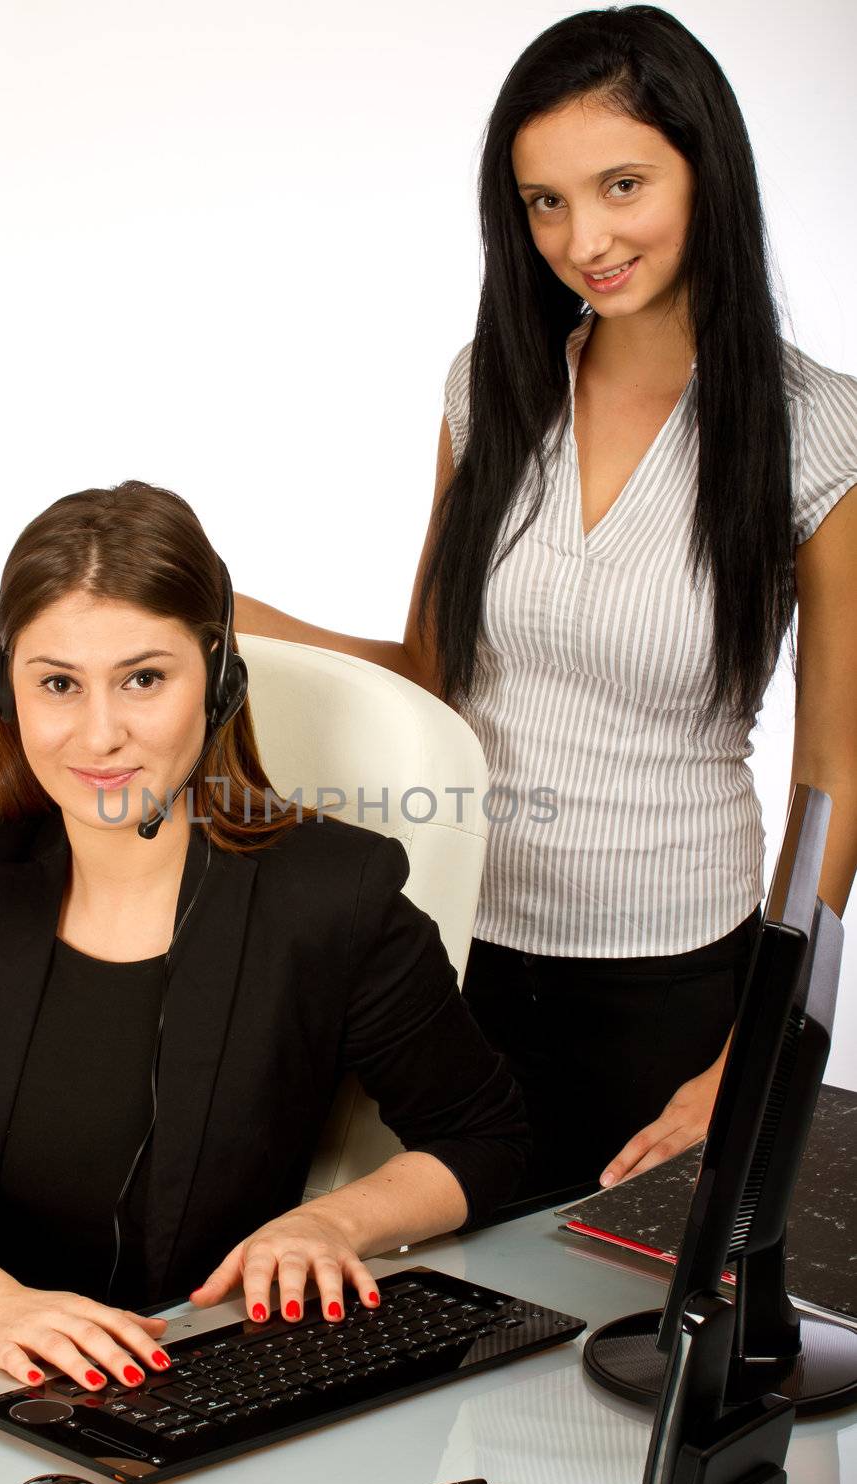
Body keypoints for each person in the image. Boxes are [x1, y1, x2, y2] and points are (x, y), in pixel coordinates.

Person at [235, 5, 857, 1205]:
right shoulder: (489, 391)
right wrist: (226, 611)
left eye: (621, 184)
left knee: (615, 1352)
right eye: (544, 203)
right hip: (453, 950)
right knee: (437, 1334)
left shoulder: (818, 434)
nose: (585, 238)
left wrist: (758, 1052)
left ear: (703, 168)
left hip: (671, 990)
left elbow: (838, 773)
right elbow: (431, 673)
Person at [0, 480, 529, 1419]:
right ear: (5, 691)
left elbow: (482, 1137)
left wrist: (329, 1222)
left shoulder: (331, 895)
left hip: (160, 1368)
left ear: (216, 678)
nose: (99, 734)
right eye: (57, 683)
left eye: (143, 678)